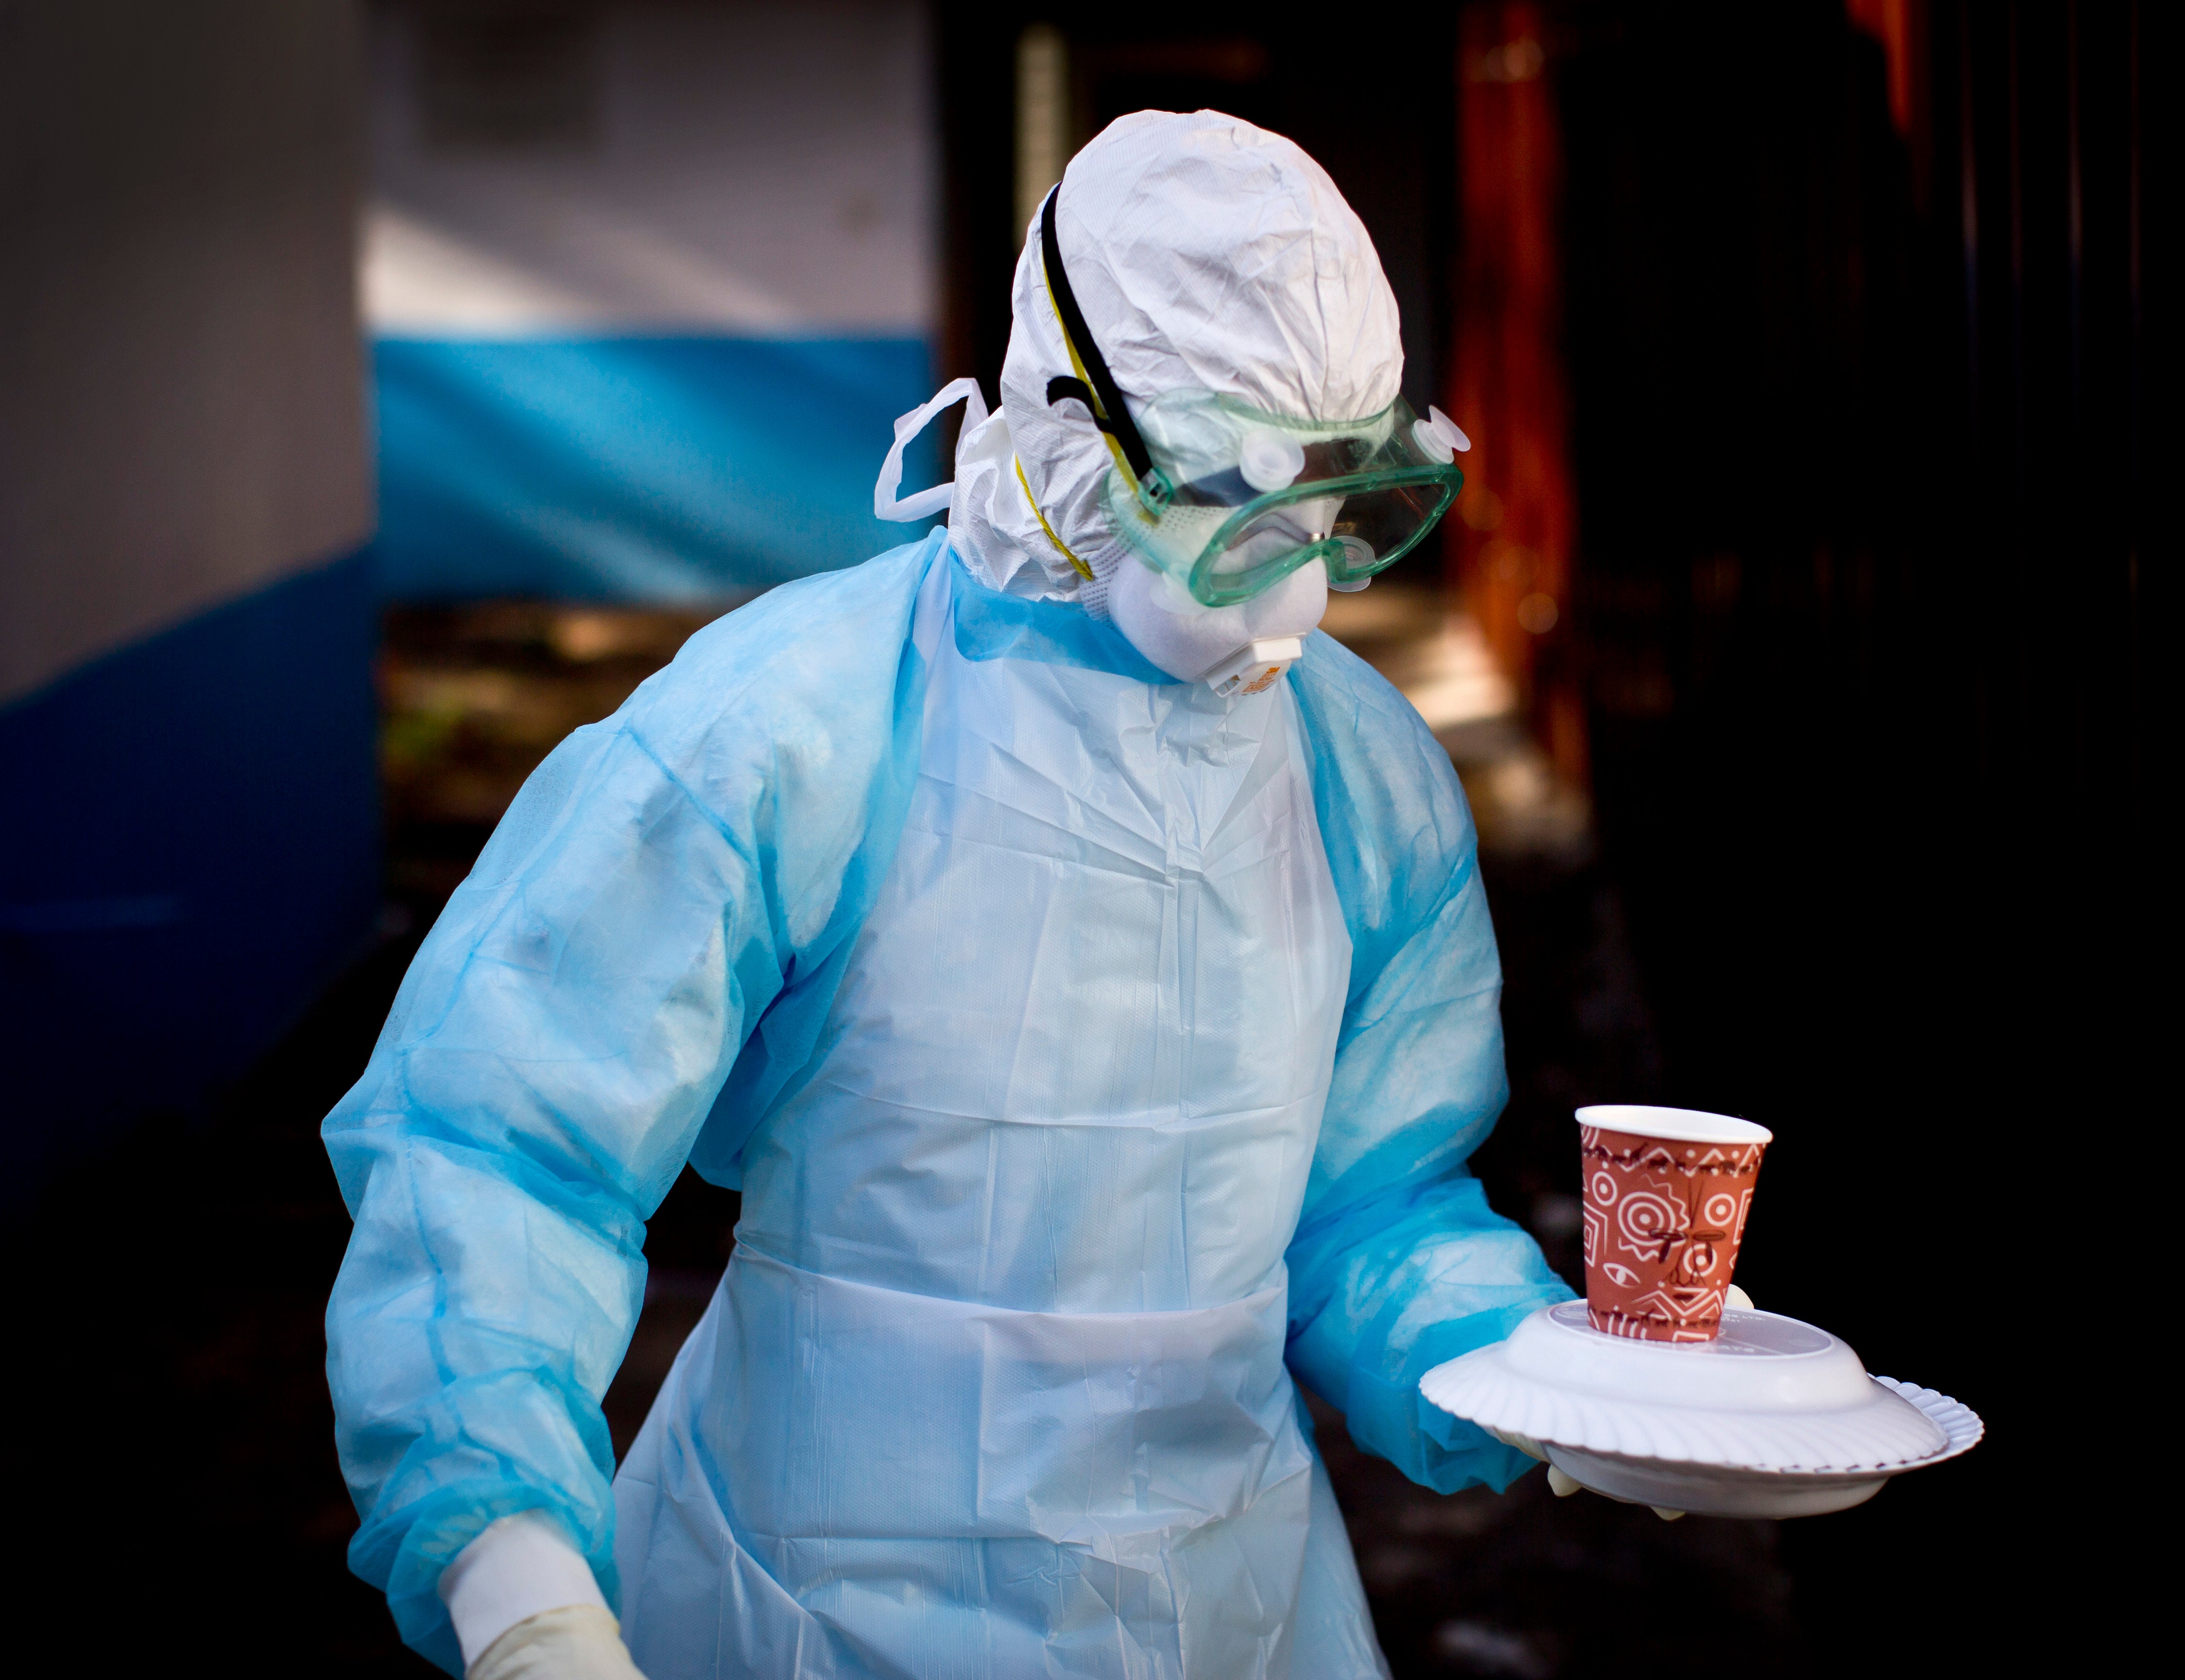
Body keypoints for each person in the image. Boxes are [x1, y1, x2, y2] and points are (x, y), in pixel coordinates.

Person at [323, 110, 1570, 1680]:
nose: (1296, 584)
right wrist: (519, 1591)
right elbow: (498, 1153)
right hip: (798, 1601)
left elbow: (1368, 1201)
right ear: (1066, 436)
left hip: (1230, 1604)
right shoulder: (792, 726)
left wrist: (1533, 1383)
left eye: (1338, 508)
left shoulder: (1358, 774)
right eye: (1238, 505)